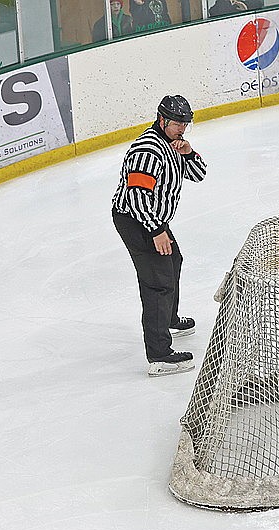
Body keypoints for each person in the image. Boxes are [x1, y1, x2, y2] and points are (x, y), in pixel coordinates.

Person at [112, 95, 207, 376]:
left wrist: (188, 153)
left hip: (153, 219)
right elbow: (137, 196)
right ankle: (160, 355)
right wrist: (156, 231)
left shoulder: (173, 145)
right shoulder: (148, 150)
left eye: (185, 124)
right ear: (162, 119)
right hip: (137, 220)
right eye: (177, 123)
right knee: (158, 283)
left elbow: (199, 174)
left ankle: (169, 318)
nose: (181, 128)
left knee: (173, 261)